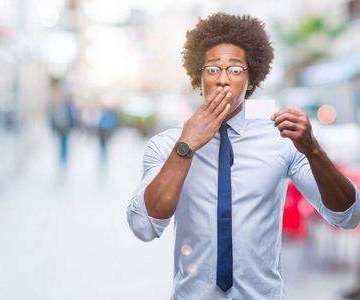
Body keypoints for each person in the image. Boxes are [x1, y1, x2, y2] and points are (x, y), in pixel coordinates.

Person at [126, 12, 360, 299]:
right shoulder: (167, 144)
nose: (223, 79)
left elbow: (349, 216)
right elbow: (143, 227)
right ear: (198, 76)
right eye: (212, 69)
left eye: (235, 70)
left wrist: (313, 150)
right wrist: (185, 146)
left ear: (250, 81)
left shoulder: (282, 140)